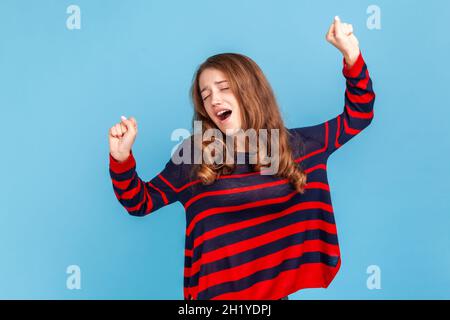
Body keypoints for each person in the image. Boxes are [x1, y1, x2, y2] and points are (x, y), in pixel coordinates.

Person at [108, 16, 375, 300]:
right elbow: (140, 202)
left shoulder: (296, 146)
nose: (214, 100)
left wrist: (351, 55)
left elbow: (358, 116)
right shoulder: (195, 156)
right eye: (206, 94)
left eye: (224, 88)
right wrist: (120, 157)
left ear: (250, 92)